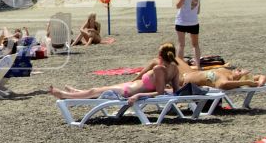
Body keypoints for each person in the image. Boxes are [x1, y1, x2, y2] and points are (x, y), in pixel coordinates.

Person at [48, 43, 182, 101]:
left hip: (129, 92)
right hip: (130, 87)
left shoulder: (159, 69)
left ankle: (65, 95)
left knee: (95, 91)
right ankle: (76, 92)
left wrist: (138, 95)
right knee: (96, 90)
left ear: (160, 55)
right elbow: (176, 90)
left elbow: (159, 93)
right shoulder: (175, 68)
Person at [174, 0, 203, 66]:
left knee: (181, 45)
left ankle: (180, 66)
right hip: (193, 22)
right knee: (195, 45)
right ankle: (198, 65)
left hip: (181, 21)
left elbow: (178, 5)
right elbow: (198, 11)